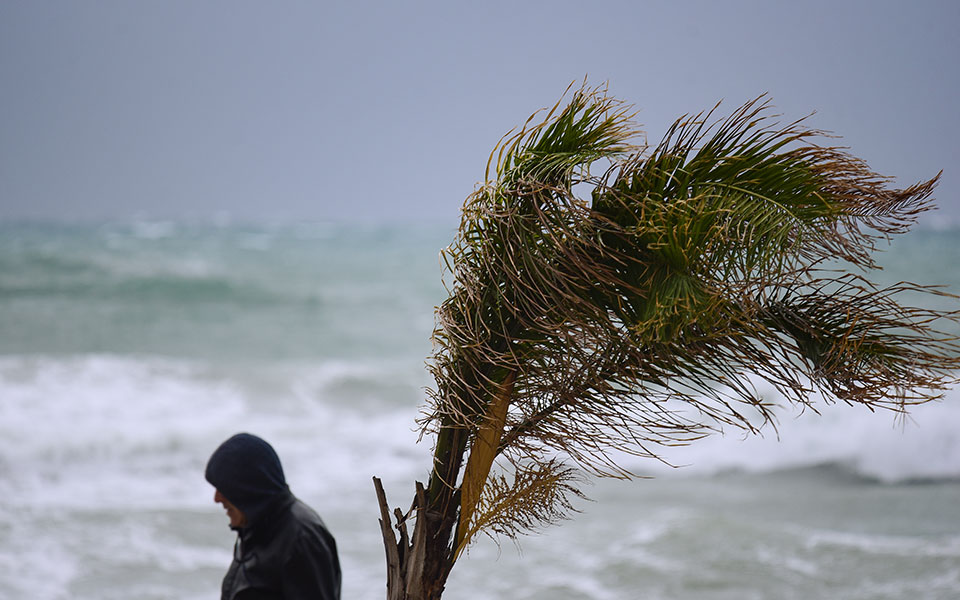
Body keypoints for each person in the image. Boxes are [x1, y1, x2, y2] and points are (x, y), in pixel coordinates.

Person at [205, 432, 341, 600]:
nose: (217, 498)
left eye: (224, 488)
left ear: (247, 487)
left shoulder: (301, 538)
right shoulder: (256, 528)